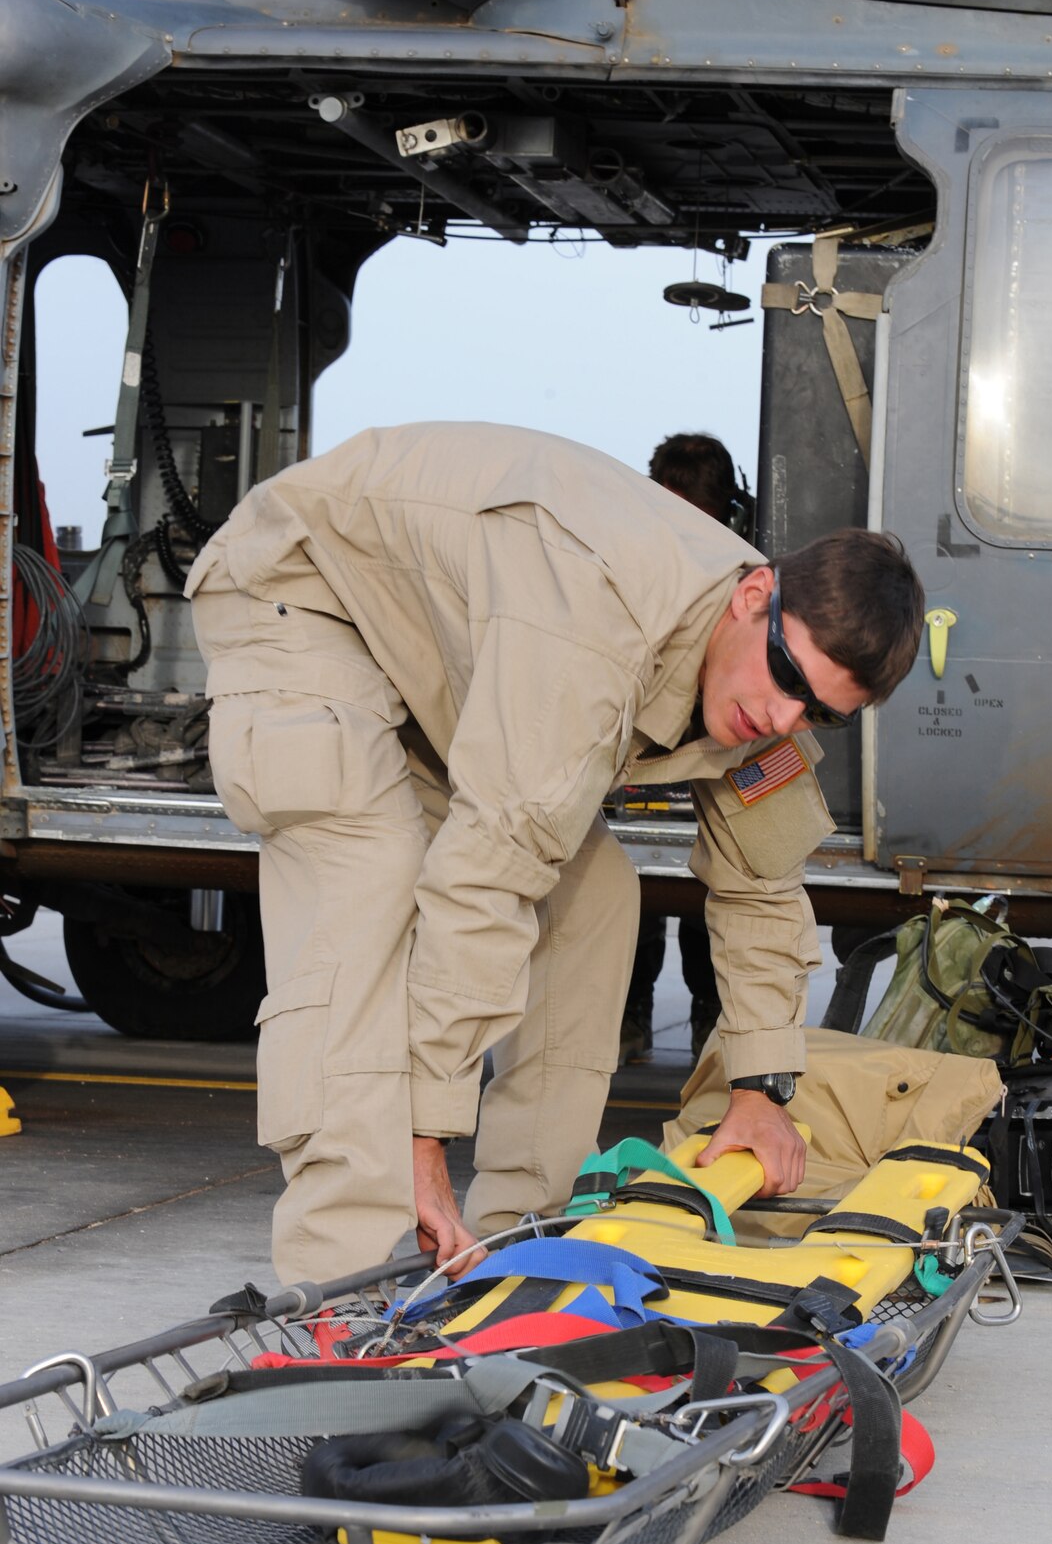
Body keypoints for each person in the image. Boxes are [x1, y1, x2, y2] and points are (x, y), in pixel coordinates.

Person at [185, 423, 924, 1286]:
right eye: (788, 680)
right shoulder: (597, 621)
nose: (784, 718)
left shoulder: (760, 680)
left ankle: (518, 1244)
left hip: (441, 651)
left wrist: (762, 1092)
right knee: (372, 871)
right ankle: (332, 1282)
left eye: (821, 714)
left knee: (596, 894)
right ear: (753, 594)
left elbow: (760, 882)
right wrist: (421, 1143)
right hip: (301, 591)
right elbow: (486, 878)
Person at [620, 431, 737, 1064]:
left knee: (698, 906)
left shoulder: (740, 571)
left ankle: (693, 1028)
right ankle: (655, 1024)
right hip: (650, 764)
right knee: (635, 900)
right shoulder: (642, 559)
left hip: (696, 763)